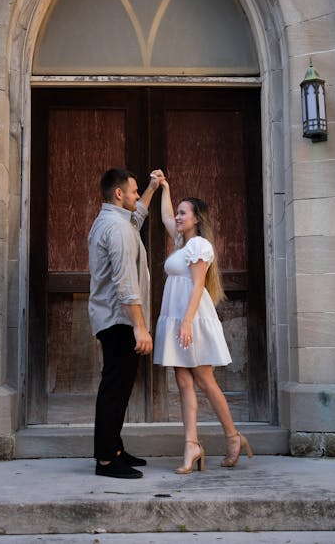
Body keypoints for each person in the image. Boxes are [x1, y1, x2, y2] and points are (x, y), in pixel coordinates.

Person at [153, 179, 253, 474]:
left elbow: (198, 286)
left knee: (205, 381)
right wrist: (164, 187)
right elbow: (165, 217)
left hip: (191, 318)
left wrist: (186, 323)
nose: (179, 217)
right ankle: (191, 445)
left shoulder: (199, 245)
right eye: (179, 212)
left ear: (197, 218)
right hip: (177, 317)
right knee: (183, 382)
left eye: (184, 213)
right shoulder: (181, 243)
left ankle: (233, 437)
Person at [88, 167, 163, 479]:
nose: (136, 197)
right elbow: (124, 283)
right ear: (118, 194)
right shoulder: (116, 229)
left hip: (116, 318)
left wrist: (151, 187)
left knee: (118, 387)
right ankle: (106, 460)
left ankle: (114, 448)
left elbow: (138, 216)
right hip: (120, 320)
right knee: (114, 390)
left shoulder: (116, 221)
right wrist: (140, 326)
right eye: (132, 191)